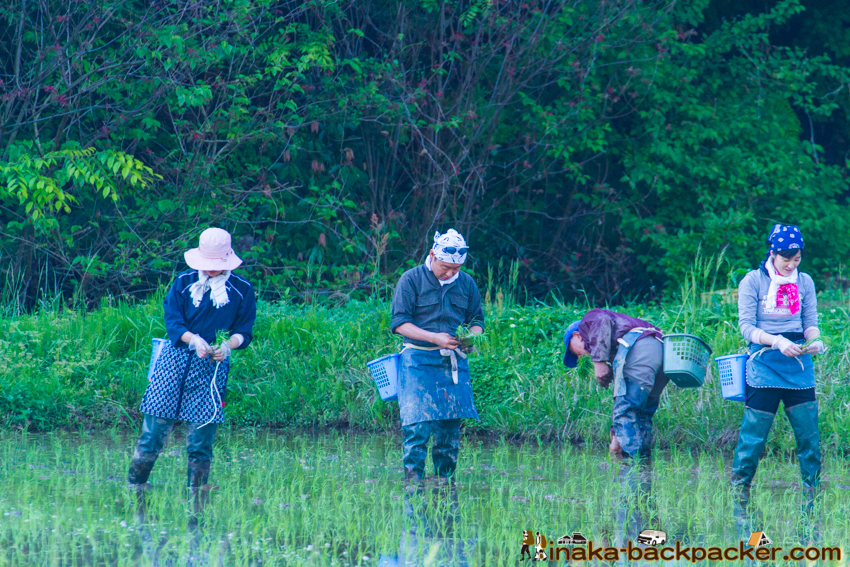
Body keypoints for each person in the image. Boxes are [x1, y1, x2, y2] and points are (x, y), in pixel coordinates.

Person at [127, 227, 257, 491]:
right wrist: (194, 339)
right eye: (207, 264)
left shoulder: (242, 289)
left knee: (200, 439)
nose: (210, 269)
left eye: (216, 265)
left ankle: (196, 493)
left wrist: (227, 346)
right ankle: (135, 485)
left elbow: (244, 331)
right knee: (152, 433)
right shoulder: (183, 282)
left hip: (211, 367)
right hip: (174, 361)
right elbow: (173, 321)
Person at [731, 224, 823, 495]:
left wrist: (815, 340)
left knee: (809, 437)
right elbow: (746, 328)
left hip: (798, 364)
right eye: (786, 259)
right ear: (772, 253)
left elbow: (810, 322)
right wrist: (778, 341)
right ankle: (739, 492)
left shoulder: (804, 281)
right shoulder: (753, 281)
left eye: (797, 259)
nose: (791, 265)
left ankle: (812, 491)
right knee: (753, 437)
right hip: (763, 364)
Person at [390, 229, 484, 482]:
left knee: (449, 432)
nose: (451, 273)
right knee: (417, 428)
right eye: (446, 267)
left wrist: (471, 339)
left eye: (456, 268)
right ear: (432, 255)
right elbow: (399, 323)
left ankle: (445, 484)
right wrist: (434, 337)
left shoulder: (466, 283)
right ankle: (413, 484)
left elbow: (477, 322)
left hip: (452, 363)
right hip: (417, 361)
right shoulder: (411, 279)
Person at [563, 309, 667, 459]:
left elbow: (602, 318)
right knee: (642, 414)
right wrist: (615, 436)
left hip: (641, 348)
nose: (580, 358)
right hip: (661, 354)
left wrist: (599, 362)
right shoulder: (615, 347)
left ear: (577, 336)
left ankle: (631, 469)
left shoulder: (588, 323)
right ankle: (644, 469)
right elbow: (625, 404)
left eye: (576, 353)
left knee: (626, 411)